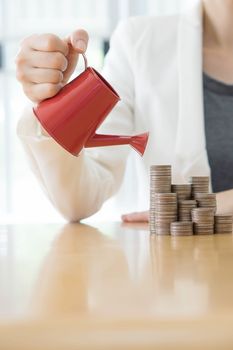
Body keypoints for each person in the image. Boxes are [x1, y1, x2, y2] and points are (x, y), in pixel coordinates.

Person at [16, 0, 233, 222]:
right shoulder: (139, 41)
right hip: (177, 255)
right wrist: (54, 108)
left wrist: (214, 205)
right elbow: (79, 201)